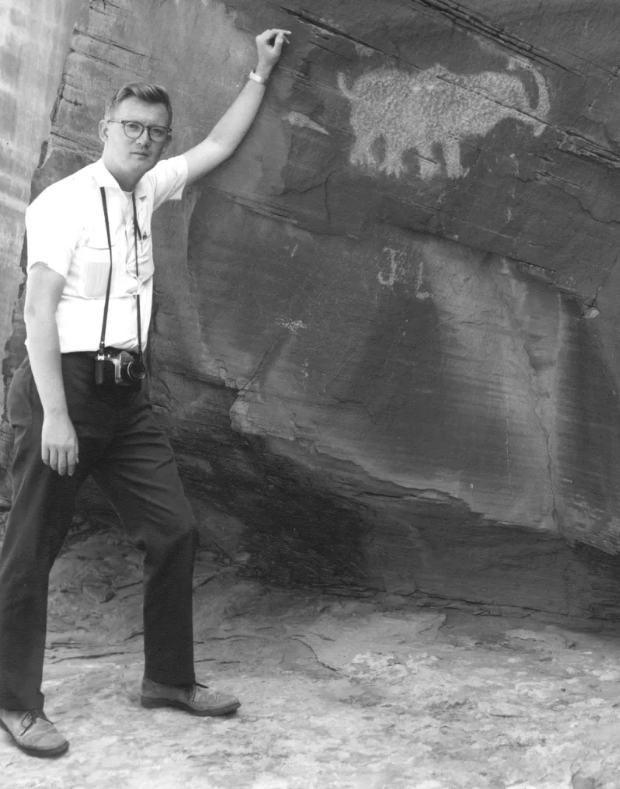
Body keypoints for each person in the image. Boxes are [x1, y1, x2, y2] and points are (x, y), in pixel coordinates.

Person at [0, 27, 291, 759]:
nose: (146, 139)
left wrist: (258, 74)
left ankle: (167, 678)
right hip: (60, 388)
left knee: (175, 529)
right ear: (105, 128)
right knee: (31, 550)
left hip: (126, 398)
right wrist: (56, 418)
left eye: (156, 132)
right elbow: (37, 315)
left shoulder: (151, 191)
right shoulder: (62, 204)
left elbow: (217, 148)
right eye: (132, 126)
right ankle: (14, 704)